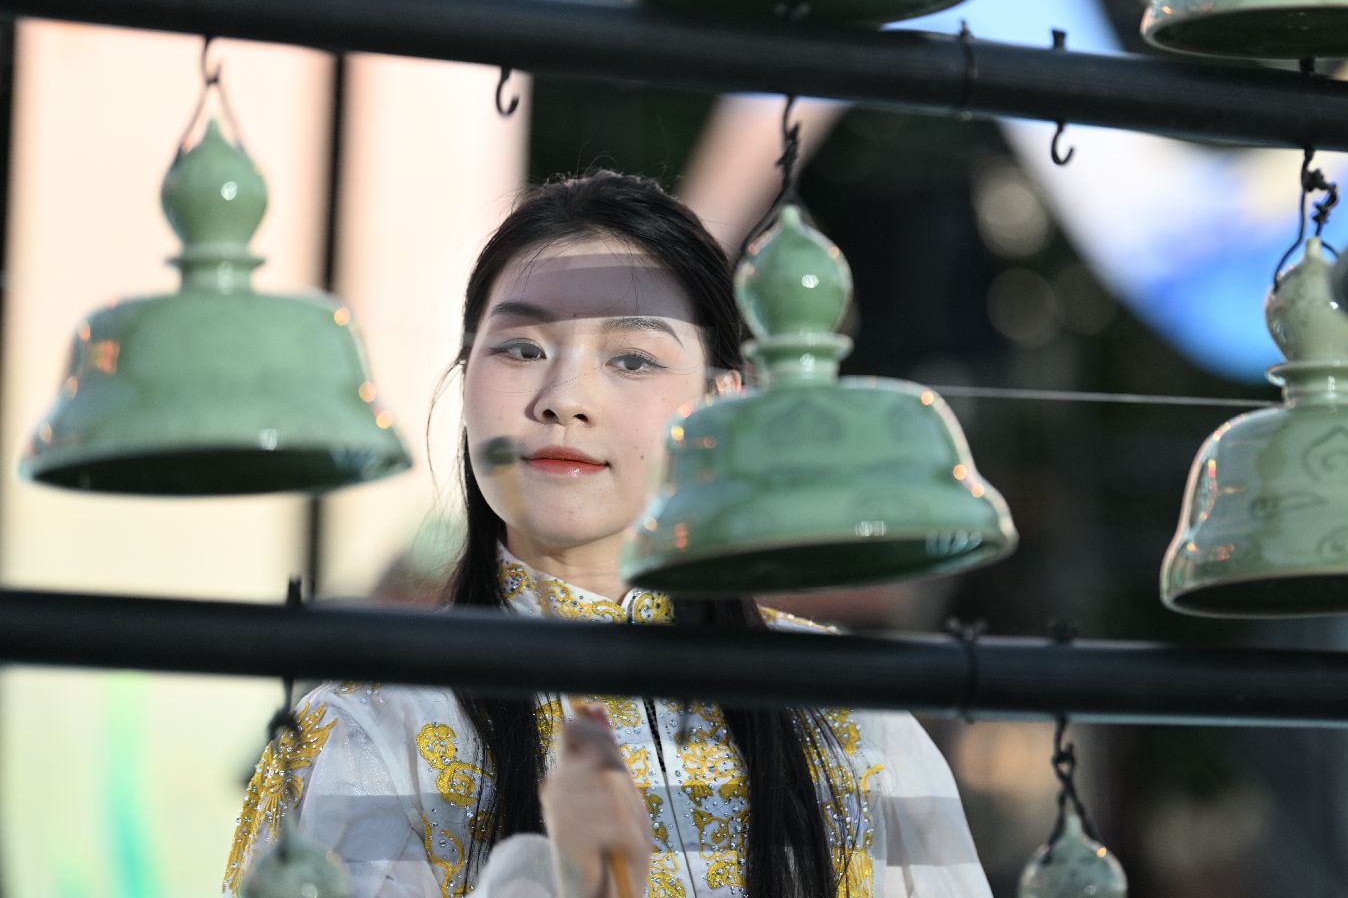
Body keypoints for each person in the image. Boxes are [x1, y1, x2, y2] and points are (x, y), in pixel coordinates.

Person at [223, 171, 992, 898]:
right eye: (522, 349)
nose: (564, 398)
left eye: (632, 359)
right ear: (465, 377)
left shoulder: (854, 725)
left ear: (722, 404)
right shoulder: (367, 734)